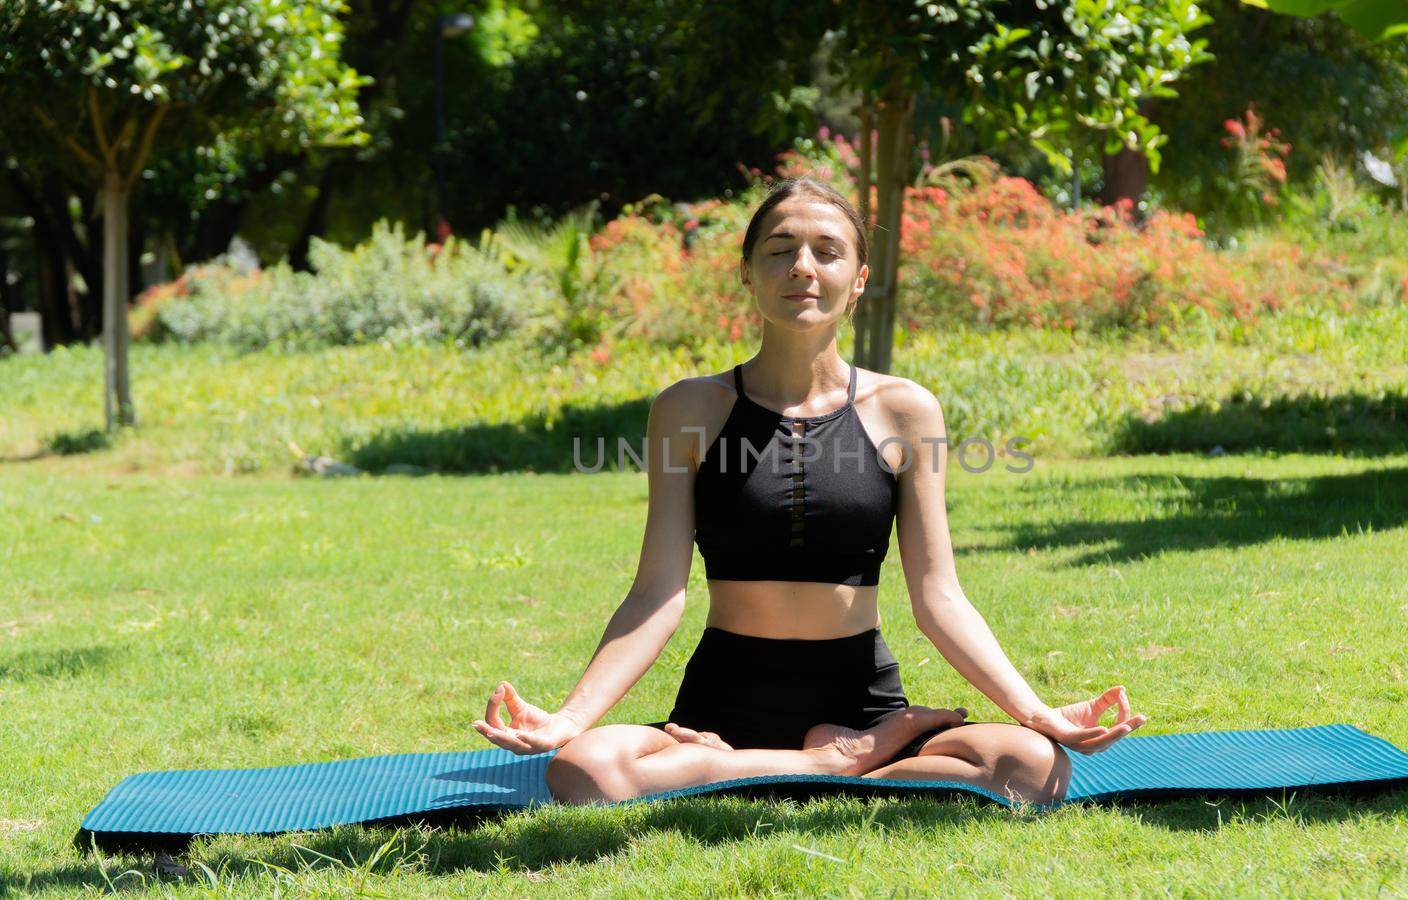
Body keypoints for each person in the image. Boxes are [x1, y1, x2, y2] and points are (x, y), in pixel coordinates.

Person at [473, 177, 1146, 805]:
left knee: (1034, 768)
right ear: (746, 273)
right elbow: (658, 593)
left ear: (856, 281)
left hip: (860, 702)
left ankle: (825, 755)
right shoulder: (689, 411)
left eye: (826, 251)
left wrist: (1035, 711)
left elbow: (939, 593)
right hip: (723, 707)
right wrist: (570, 717)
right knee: (582, 770)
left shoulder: (905, 411)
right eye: (780, 249)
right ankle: (837, 766)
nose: (802, 265)